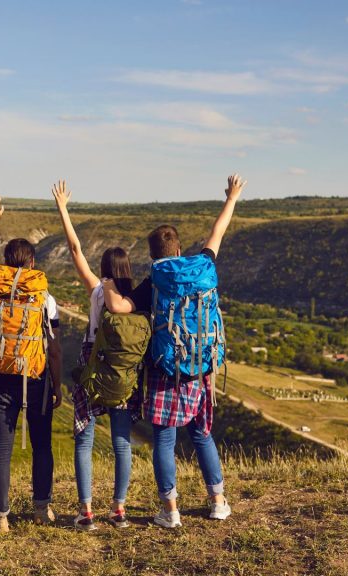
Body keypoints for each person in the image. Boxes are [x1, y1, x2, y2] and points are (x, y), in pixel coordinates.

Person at [103, 173, 246, 528]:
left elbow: (121, 309)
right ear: (180, 249)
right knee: (201, 434)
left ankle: (170, 511)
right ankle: (217, 501)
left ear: (153, 256)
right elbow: (218, 232)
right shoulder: (203, 266)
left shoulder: (155, 281)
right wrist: (231, 198)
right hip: (202, 366)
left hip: (167, 369)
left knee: (164, 439)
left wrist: (107, 284)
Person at [51, 180, 142, 530]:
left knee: (84, 439)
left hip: (92, 366)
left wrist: (63, 208)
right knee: (122, 442)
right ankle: (118, 510)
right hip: (124, 370)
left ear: (105, 269)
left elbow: (75, 251)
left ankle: (86, 511)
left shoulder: (97, 292)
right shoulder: (137, 298)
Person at [0, 195, 64, 533]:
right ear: (33, 262)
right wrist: (57, 383)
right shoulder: (44, 298)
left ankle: (0, 519)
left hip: (0, 375)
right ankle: (42, 509)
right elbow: (53, 348)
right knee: (41, 445)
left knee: (1, 449)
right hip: (35, 376)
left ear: (7, 263)